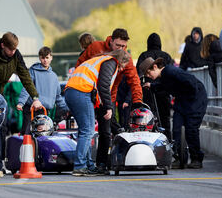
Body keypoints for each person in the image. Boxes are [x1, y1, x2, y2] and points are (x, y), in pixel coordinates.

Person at [75, 28, 143, 174]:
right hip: (89, 94)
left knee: (105, 132)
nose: (121, 49)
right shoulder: (95, 47)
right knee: (87, 129)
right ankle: (84, 163)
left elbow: (134, 80)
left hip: (108, 97)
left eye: (124, 46)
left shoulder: (126, 57)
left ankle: (101, 164)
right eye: (118, 45)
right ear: (111, 41)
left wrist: (137, 100)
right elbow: (79, 65)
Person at [66, 49, 131, 176]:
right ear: (121, 61)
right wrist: (108, 107)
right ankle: (80, 166)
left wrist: (102, 105)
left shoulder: (100, 59)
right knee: (88, 130)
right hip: (81, 91)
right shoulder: (111, 62)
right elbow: (103, 85)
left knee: (84, 130)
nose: (122, 70)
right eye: (123, 66)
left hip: (71, 91)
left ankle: (89, 164)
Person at [140, 57, 208, 169]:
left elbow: (190, 81)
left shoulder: (170, 71)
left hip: (195, 100)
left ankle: (196, 158)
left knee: (191, 129)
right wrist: (152, 86)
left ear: (155, 67)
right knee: (176, 128)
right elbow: (165, 87)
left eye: (148, 72)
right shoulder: (164, 77)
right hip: (182, 101)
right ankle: (179, 157)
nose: (148, 76)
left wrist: (189, 96)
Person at [16, 46, 68, 134]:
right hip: (31, 109)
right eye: (43, 58)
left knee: (43, 135)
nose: (45, 60)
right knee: (27, 133)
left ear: (51, 57)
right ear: (40, 58)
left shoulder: (54, 76)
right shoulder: (33, 71)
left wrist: (67, 108)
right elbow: (27, 87)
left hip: (45, 111)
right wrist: (21, 102)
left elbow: (57, 96)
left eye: (47, 57)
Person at [136, 32, 174, 140]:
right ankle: (167, 140)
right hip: (164, 91)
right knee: (165, 118)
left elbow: (137, 74)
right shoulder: (166, 56)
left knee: (148, 117)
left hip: (148, 90)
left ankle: (149, 140)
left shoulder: (144, 56)